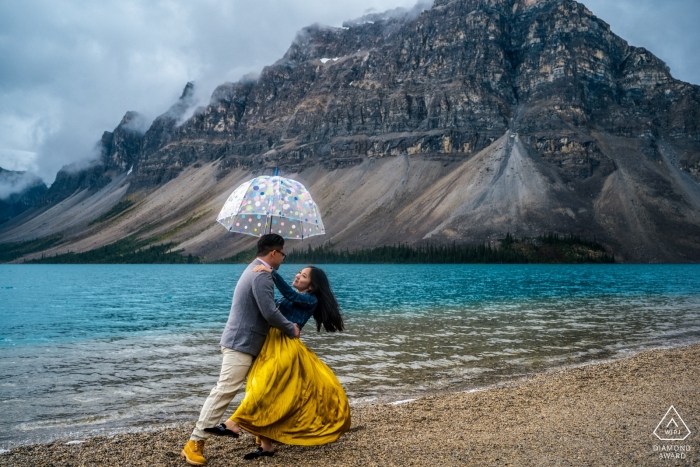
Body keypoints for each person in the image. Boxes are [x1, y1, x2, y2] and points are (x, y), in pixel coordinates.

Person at [205, 265, 350, 460]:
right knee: (261, 390)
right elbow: (269, 309)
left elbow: (291, 294)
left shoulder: (310, 299)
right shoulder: (290, 298)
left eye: (304, 275)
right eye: (299, 272)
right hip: (270, 345)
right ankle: (267, 446)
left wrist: (271, 272)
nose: (298, 275)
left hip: (285, 348)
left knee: (263, 389)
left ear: (312, 285)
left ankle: (233, 423)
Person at [181, 234, 300, 466]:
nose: (283, 259)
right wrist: (290, 328)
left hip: (246, 342)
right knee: (225, 390)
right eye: (283, 254)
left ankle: (262, 436)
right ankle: (194, 442)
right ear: (274, 253)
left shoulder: (257, 270)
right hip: (241, 343)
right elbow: (269, 312)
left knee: (259, 391)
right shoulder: (261, 276)